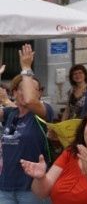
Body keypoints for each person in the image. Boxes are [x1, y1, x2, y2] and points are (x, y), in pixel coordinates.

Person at [0, 73, 55, 204]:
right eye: (22, 89)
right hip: (5, 188)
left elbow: (30, 102)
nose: (27, 93)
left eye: (32, 90)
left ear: (39, 94)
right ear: (14, 92)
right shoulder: (10, 114)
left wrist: (26, 69)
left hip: (32, 188)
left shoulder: (43, 113)